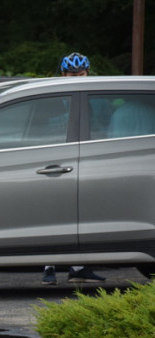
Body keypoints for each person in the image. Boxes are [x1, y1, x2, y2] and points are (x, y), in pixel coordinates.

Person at [42, 52, 104, 285]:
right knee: (53, 215)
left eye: (81, 74)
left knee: (82, 215)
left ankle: (78, 267)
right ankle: (48, 267)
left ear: (88, 72)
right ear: (63, 74)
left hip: (85, 161)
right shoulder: (51, 97)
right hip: (53, 162)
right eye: (72, 74)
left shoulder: (94, 98)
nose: (77, 77)